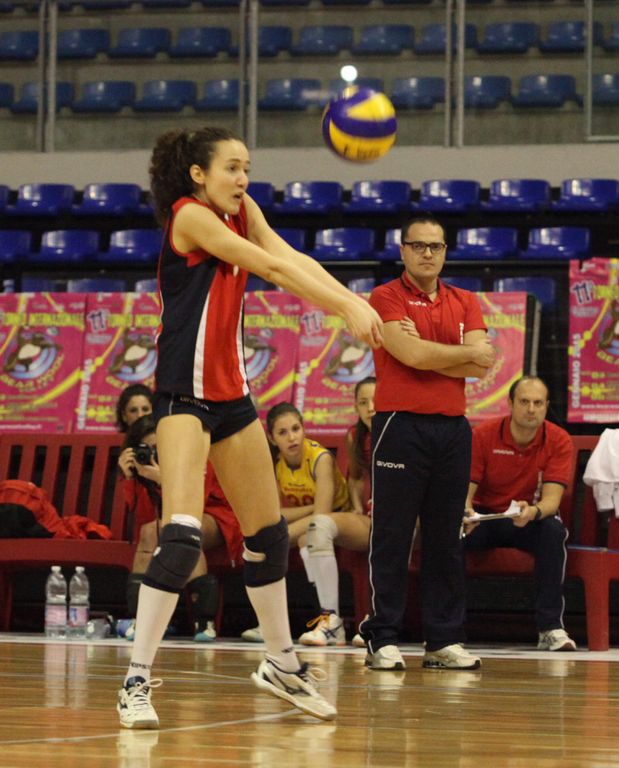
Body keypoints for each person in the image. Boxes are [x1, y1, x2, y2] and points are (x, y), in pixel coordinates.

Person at [117, 125, 382, 729]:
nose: (242, 179)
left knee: (267, 537)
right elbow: (268, 267)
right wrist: (343, 307)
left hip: (233, 400)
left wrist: (354, 298)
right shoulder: (190, 217)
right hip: (183, 398)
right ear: (198, 174)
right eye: (232, 168)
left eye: (247, 169)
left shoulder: (241, 210)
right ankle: (135, 679)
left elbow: (290, 256)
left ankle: (282, 664)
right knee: (181, 538)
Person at [360, 216, 496, 671]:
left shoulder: (466, 300)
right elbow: (413, 354)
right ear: (402, 250)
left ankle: (443, 640)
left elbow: (482, 365)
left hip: (453, 429)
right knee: (393, 535)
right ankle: (381, 637)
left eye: (435, 246)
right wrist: (454, 353)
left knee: (445, 538)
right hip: (399, 425)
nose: (427, 254)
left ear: (445, 252)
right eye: (418, 245)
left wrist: (428, 353)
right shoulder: (385, 296)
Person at [463, 375, 577, 652]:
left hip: (528, 517)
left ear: (546, 406)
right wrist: (465, 512)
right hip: (486, 517)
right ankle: (448, 629)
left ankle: (550, 628)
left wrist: (533, 512)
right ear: (510, 403)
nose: (531, 409)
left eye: (538, 403)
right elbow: (466, 490)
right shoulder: (483, 435)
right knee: (451, 532)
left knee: (553, 531)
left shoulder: (559, 439)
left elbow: (552, 501)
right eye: (524, 402)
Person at [119, 415, 236, 643]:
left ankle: (205, 622)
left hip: (216, 515)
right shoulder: (143, 470)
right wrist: (132, 478)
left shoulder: (195, 452)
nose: (155, 454)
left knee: (187, 528)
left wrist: (164, 480)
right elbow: (146, 520)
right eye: (148, 449)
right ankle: (141, 619)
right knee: (151, 532)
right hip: (170, 524)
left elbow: (195, 502)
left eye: (160, 447)